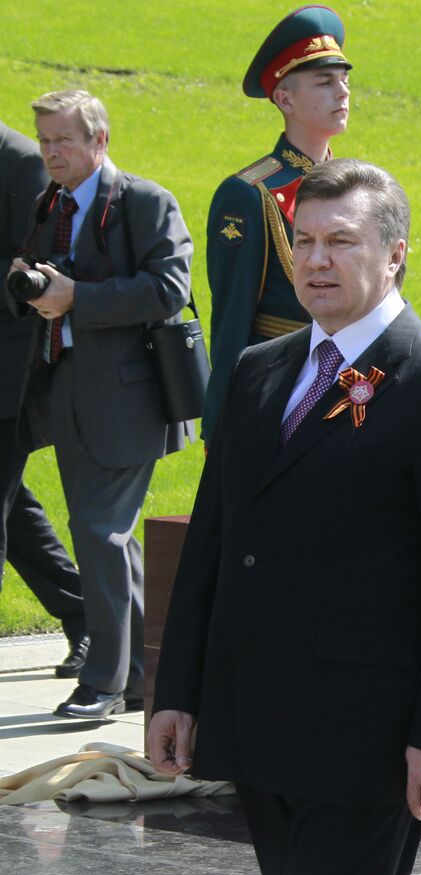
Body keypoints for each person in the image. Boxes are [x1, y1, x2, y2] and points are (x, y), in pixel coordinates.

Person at [149, 158, 421, 875]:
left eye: (340, 242)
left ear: (396, 253)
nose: (315, 261)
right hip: (257, 724)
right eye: (303, 242)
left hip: (369, 745)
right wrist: (178, 688)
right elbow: (215, 540)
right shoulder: (258, 372)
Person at [8, 90, 193, 719]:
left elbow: (169, 289)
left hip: (126, 401)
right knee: (107, 537)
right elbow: (43, 289)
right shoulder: (50, 203)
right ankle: (143, 675)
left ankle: (105, 684)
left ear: (99, 140)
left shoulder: (144, 201)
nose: (52, 152)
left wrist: (77, 298)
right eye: (45, 141)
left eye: (64, 139)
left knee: (98, 533)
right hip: (65, 389)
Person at [202, 4, 353, 441]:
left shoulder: (358, 187)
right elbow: (232, 321)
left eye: (344, 80)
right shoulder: (249, 194)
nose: (342, 92)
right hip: (284, 382)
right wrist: (223, 419)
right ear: (284, 99)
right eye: (325, 82)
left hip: (352, 379)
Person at [0, 118, 86, 677]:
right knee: (15, 508)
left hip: (7, 374)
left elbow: (32, 273)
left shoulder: (24, 163)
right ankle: (87, 616)